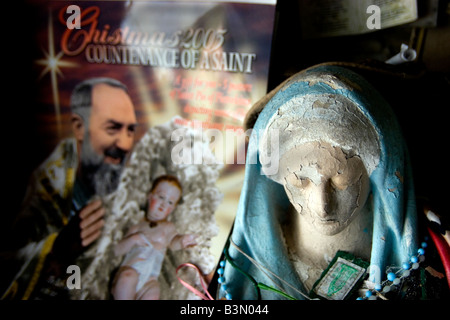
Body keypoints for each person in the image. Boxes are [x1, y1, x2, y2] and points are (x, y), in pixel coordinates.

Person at [218, 64, 450, 300]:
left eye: (342, 180)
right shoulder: (243, 269)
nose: (323, 206)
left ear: (378, 172)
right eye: (301, 180)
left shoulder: (431, 250)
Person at [1, 77, 138, 300]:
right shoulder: (41, 190)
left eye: (130, 130)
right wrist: (57, 251)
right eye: (113, 128)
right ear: (79, 128)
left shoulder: (132, 192)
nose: (125, 144)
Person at [111, 175, 197, 300]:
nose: (163, 204)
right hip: (130, 270)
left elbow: (173, 242)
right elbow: (117, 250)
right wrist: (133, 239)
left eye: (170, 202)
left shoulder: (167, 227)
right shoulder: (138, 226)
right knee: (128, 276)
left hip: (149, 280)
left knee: (154, 291)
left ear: (173, 208)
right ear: (150, 196)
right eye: (161, 197)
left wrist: (182, 240)